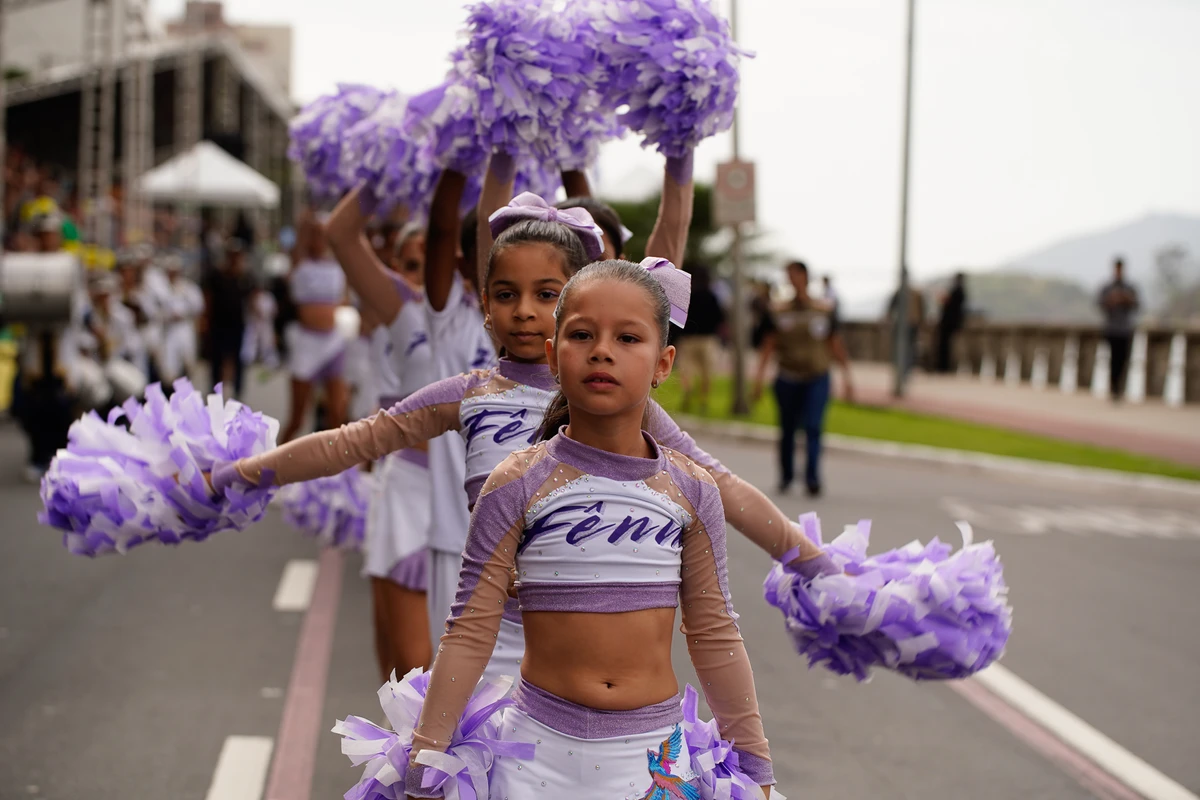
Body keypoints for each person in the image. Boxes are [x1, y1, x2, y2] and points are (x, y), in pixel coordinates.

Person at [215, 196, 829, 692]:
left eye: (546, 296)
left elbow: (722, 486)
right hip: (487, 649)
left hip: (582, 656)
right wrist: (243, 473)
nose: (526, 312)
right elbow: (352, 442)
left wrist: (810, 558)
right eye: (506, 295)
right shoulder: (468, 393)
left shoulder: (616, 399)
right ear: (485, 307)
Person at [407, 260, 780, 799]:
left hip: (656, 763)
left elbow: (715, 633)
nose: (602, 350)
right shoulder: (515, 482)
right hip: (532, 758)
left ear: (663, 363)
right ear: (555, 355)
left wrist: (756, 767)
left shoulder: (692, 491)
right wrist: (426, 756)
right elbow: (469, 629)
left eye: (628, 338)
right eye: (582, 334)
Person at [753, 260, 854, 497]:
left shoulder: (824, 310)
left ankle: (812, 478)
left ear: (806, 277)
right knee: (787, 429)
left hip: (817, 377)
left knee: (813, 426)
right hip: (788, 377)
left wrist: (847, 376)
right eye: (789, 276)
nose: (792, 280)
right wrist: (758, 378)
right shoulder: (778, 311)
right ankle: (787, 476)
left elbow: (835, 343)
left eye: (796, 275)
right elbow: (769, 345)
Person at [278, 213, 349, 443]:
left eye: (324, 234)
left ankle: (336, 474)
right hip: (307, 345)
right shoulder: (300, 263)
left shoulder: (339, 265)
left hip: (333, 343)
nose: (320, 239)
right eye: (316, 234)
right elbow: (302, 233)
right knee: (297, 419)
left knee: (338, 416)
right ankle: (272, 470)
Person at [203, 239, 252, 398]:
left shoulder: (244, 277)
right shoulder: (217, 275)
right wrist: (205, 321)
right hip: (219, 324)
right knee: (217, 359)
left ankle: (237, 392)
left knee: (238, 359)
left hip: (237, 325)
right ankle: (215, 390)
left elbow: (252, 299)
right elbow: (208, 298)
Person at [675, 263, 724, 412]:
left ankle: (687, 394)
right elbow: (720, 317)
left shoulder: (687, 295)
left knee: (687, 370)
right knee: (706, 373)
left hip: (688, 339)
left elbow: (678, 318)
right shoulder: (712, 296)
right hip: (708, 339)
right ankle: (703, 400)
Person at [157, 254, 204, 385]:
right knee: (168, 365)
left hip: (184, 327)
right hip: (168, 330)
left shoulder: (187, 287)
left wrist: (184, 313)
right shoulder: (160, 288)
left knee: (187, 360)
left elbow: (198, 305)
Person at [1097, 256, 1140, 402]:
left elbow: (1137, 306)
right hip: (1111, 329)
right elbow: (1100, 305)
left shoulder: (1129, 288)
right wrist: (1112, 300)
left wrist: (1126, 299)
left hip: (1125, 329)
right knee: (1112, 359)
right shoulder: (1107, 288)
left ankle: (1119, 388)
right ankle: (1113, 388)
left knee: (1123, 359)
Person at [935, 272, 968, 373]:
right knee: (945, 346)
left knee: (944, 346)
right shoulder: (961, 290)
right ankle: (943, 366)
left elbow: (949, 303)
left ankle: (943, 367)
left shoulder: (957, 291)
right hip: (952, 322)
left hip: (949, 322)